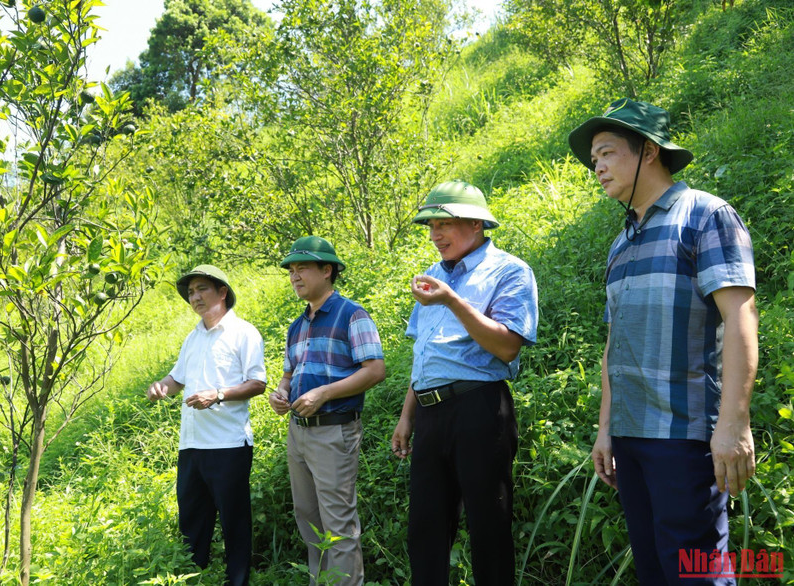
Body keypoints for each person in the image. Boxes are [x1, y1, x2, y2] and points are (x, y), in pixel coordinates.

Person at [568, 98, 758, 585]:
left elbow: (741, 317)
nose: (599, 168)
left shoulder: (705, 216)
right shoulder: (622, 241)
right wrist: (606, 426)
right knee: (654, 570)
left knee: (698, 574)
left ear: (649, 151)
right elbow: (616, 341)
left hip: (684, 437)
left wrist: (734, 425)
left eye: (607, 153)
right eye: (594, 160)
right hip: (631, 439)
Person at [391, 180, 538, 585]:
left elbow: (507, 347)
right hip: (430, 413)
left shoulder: (509, 270)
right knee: (425, 530)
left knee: (489, 526)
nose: (435, 234)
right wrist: (408, 415)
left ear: (476, 224)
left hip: (480, 408)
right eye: (430, 226)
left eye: (444, 224)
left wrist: (452, 300)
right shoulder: (433, 275)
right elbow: (426, 352)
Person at [268, 236, 385, 586]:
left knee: (338, 523)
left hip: (334, 430)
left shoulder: (352, 315)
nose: (295, 276)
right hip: (298, 432)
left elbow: (375, 370)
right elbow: (288, 375)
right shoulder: (297, 325)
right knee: (308, 518)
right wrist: (280, 392)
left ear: (327, 270)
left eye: (302, 268)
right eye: (291, 270)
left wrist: (323, 393)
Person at [146, 265, 266, 586]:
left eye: (201, 289)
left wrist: (219, 394)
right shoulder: (192, 337)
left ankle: (237, 581)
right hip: (191, 447)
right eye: (190, 293)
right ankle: (191, 579)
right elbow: (176, 379)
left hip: (228, 445)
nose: (194, 297)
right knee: (192, 525)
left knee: (234, 524)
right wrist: (162, 387)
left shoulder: (244, 333)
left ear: (222, 292)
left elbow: (257, 383)